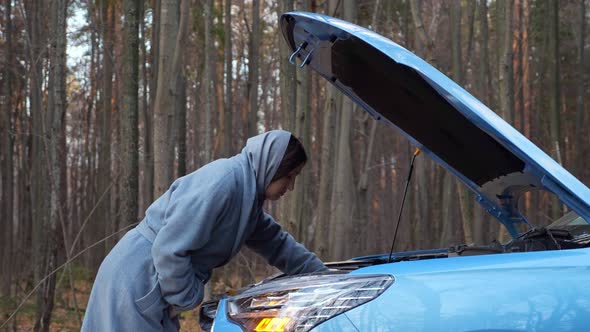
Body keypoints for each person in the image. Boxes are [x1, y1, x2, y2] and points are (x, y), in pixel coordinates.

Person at [81, 130, 327, 331]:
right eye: (290, 176)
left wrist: (326, 278)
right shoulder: (224, 182)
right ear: (274, 165)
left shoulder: (248, 200)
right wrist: (188, 297)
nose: (291, 186)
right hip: (139, 278)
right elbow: (168, 248)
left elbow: (279, 245)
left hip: (155, 281)